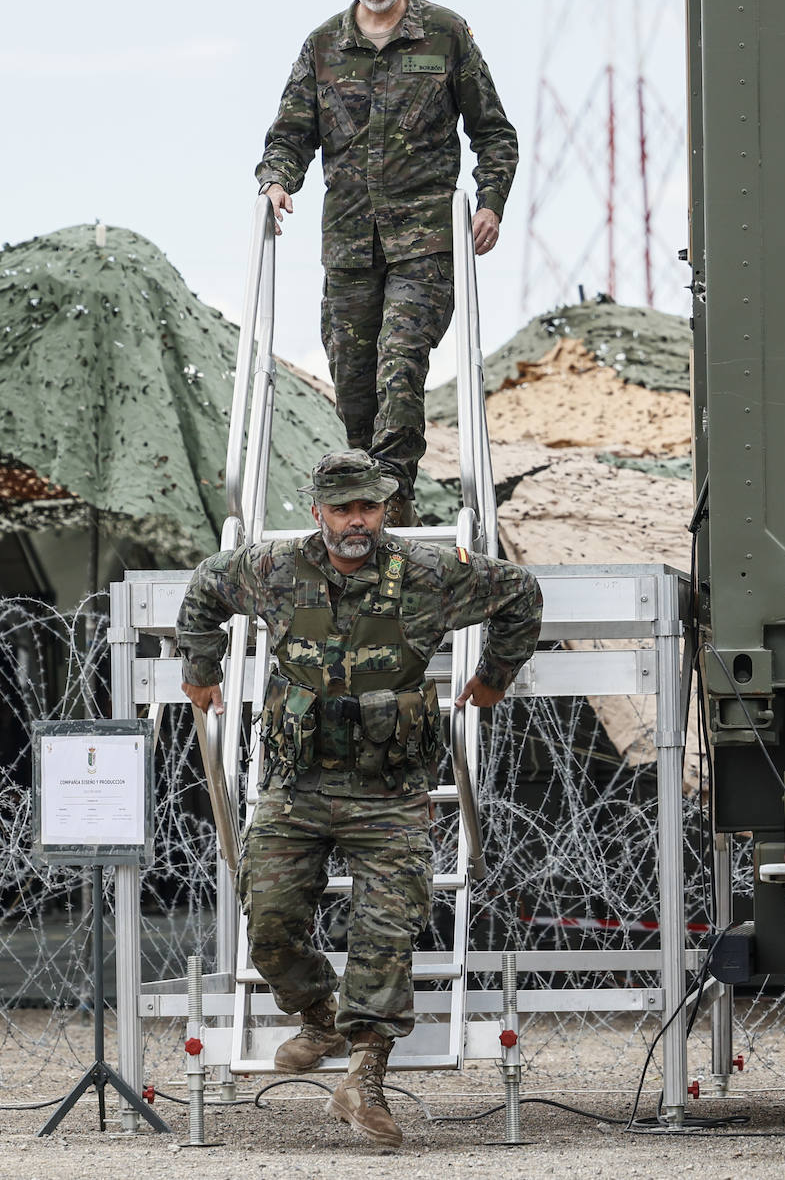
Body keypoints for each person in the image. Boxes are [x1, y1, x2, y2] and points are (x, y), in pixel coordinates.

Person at [175, 449, 542, 1149]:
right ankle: (317, 1014)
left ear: (384, 510)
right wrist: (200, 668)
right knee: (272, 929)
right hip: (297, 787)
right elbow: (205, 588)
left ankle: (364, 1078)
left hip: (390, 793)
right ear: (317, 511)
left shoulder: (431, 575)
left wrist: (494, 676)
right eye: (342, 508)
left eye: (368, 507)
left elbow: (519, 593)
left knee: (385, 938)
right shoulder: (275, 571)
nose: (356, 521)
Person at [256, 0, 519, 528]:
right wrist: (275, 182)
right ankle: (365, 501)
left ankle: (392, 501)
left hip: (425, 241)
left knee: (401, 362)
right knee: (353, 378)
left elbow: (494, 133)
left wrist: (489, 203)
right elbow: (289, 135)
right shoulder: (322, 46)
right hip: (348, 245)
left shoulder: (447, 35)